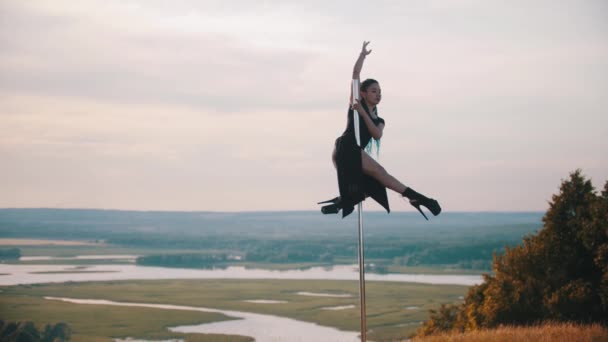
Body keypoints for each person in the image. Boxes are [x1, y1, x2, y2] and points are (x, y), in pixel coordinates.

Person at [319, 41, 441, 220]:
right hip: (346, 148)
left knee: (375, 184)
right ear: (363, 93)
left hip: (353, 152)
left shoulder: (379, 120)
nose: (378, 94)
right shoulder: (356, 104)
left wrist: (364, 113)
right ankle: (421, 199)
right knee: (381, 173)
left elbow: (377, 134)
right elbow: (355, 74)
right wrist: (362, 56)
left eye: (380, 91)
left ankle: (341, 203)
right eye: (374, 91)